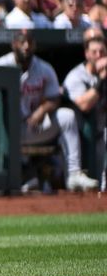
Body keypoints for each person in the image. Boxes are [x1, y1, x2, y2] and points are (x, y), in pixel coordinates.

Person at [0, 30, 98, 192]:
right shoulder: (0, 65)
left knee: (67, 116)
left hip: (33, 126)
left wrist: (42, 110)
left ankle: (73, 174)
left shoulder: (43, 68)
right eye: (22, 42)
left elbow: (54, 98)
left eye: (30, 42)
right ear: (13, 44)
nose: (26, 46)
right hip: (6, 131)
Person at [62, 31, 106, 188]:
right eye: (94, 52)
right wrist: (101, 79)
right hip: (81, 141)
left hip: (102, 136)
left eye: (102, 52)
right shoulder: (76, 76)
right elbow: (85, 105)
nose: (99, 55)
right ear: (87, 54)